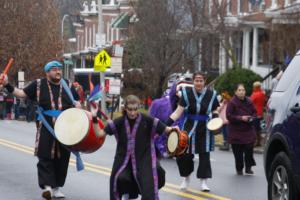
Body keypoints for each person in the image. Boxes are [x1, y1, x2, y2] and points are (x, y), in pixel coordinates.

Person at [0, 60, 80, 200]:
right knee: (45, 156)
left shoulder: (67, 85)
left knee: (62, 158)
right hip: (46, 126)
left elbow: (76, 102)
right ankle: (47, 187)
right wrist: (7, 84)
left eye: (59, 69)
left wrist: (79, 109)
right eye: (54, 69)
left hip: (65, 128)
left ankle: (56, 188)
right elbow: (21, 94)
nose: (58, 72)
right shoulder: (38, 84)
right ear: (47, 72)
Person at [94, 95, 176, 200]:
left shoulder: (147, 120)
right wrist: (94, 117)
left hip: (144, 161)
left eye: (135, 109)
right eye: (130, 109)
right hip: (124, 162)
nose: (132, 112)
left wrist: (175, 131)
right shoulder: (119, 122)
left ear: (139, 107)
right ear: (125, 108)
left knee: (149, 189)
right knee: (119, 179)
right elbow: (99, 134)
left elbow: (167, 130)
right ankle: (127, 194)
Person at [165, 72, 219, 192]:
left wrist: (216, 120)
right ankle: (186, 177)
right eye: (196, 80)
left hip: (205, 127)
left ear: (204, 81)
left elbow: (215, 109)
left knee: (205, 155)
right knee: (184, 154)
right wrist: (165, 124)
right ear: (193, 81)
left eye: (201, 81)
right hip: (189, 126)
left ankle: (204, 181)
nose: (199, 83)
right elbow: (178, 112)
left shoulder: (211, 94)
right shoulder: (186, 94)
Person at [226, 84, 257, 175]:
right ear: (235, 92)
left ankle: (248, 167)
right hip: (236, 131)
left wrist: (252, 117)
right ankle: (239, 168)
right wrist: (241, 118)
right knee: (238, 153)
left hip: (248, 130)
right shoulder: (232, 102)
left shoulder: (249, 101)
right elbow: (229, 116)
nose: (241, 92)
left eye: (243, 90)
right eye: (239, 90)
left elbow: (254, 112)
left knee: (249, 149)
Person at [250, 81, 266, 147]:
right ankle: (259, 141)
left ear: (255, 87)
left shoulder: (255, 94)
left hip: (255, 113)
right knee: (258, 128)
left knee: (254, 128)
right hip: (260, 113)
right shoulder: (262, 94)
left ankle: (255, 141)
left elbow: (250, 102)